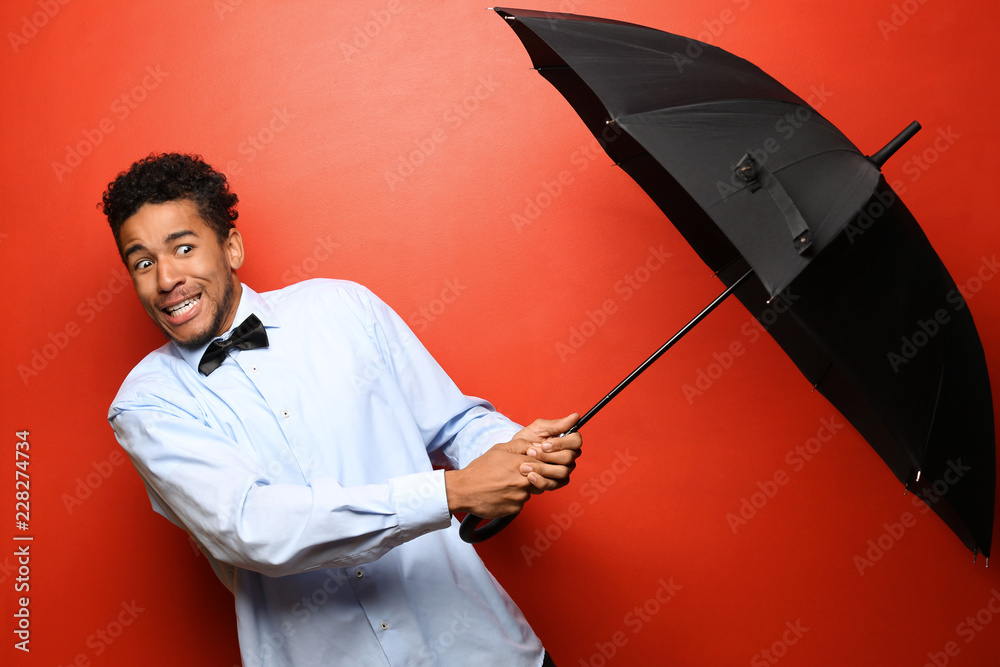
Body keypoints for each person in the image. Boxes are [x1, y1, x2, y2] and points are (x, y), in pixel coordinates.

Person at [102, 152, 581, 666]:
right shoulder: (146, 403)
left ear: (231, 247)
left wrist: (518, 454)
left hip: (481, 650)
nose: (166, 278)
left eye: (184, 247)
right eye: (143, 262)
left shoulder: (343, 308)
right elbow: (251, 528)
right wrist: (453, 490)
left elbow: (456, 424)